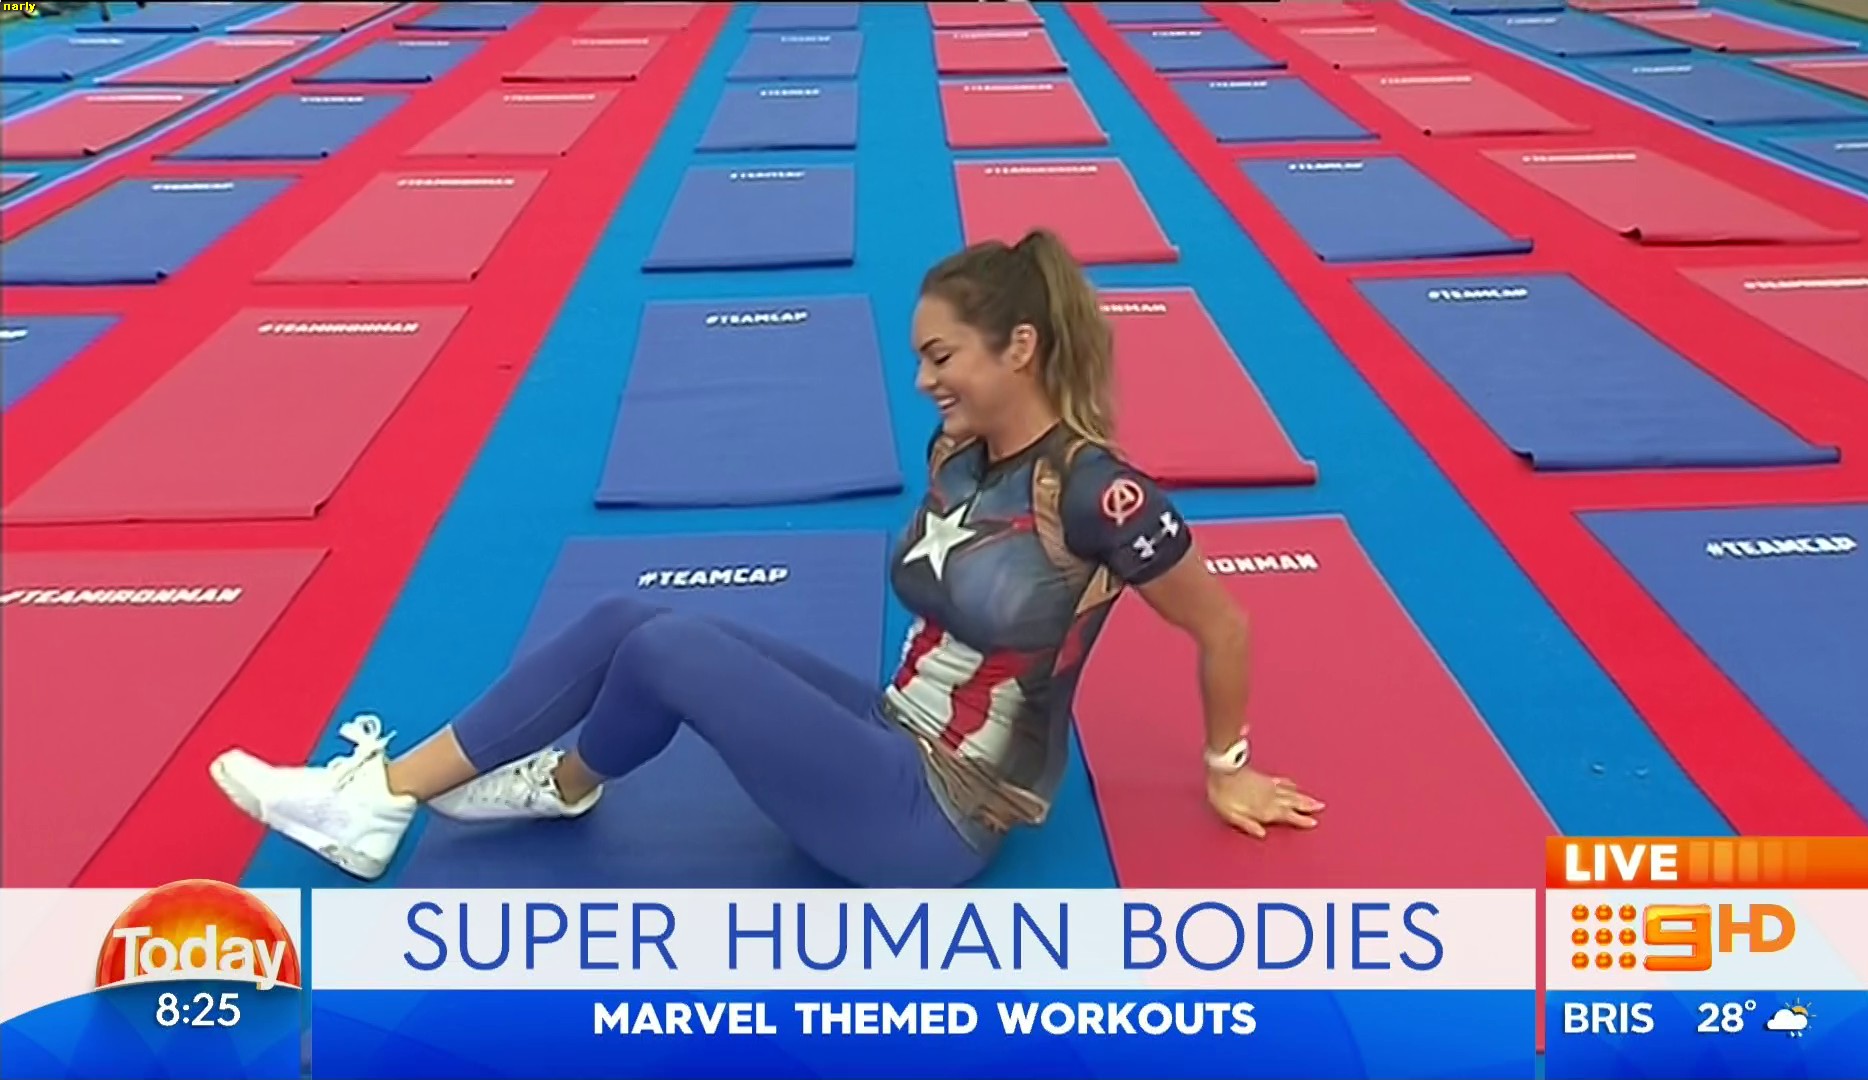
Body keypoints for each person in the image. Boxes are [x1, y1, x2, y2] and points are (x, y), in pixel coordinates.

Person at [209, 229, 1324, 885]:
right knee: (628, 620)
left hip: (939, 817)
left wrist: (1226, 764)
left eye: (941, 356)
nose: (923, 379)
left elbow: (1221, 623)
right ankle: (553, 786)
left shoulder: (1096, 491)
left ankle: (378, 802)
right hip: (892, 732)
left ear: (1018, 348)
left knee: (672, 653)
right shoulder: (958, 452)